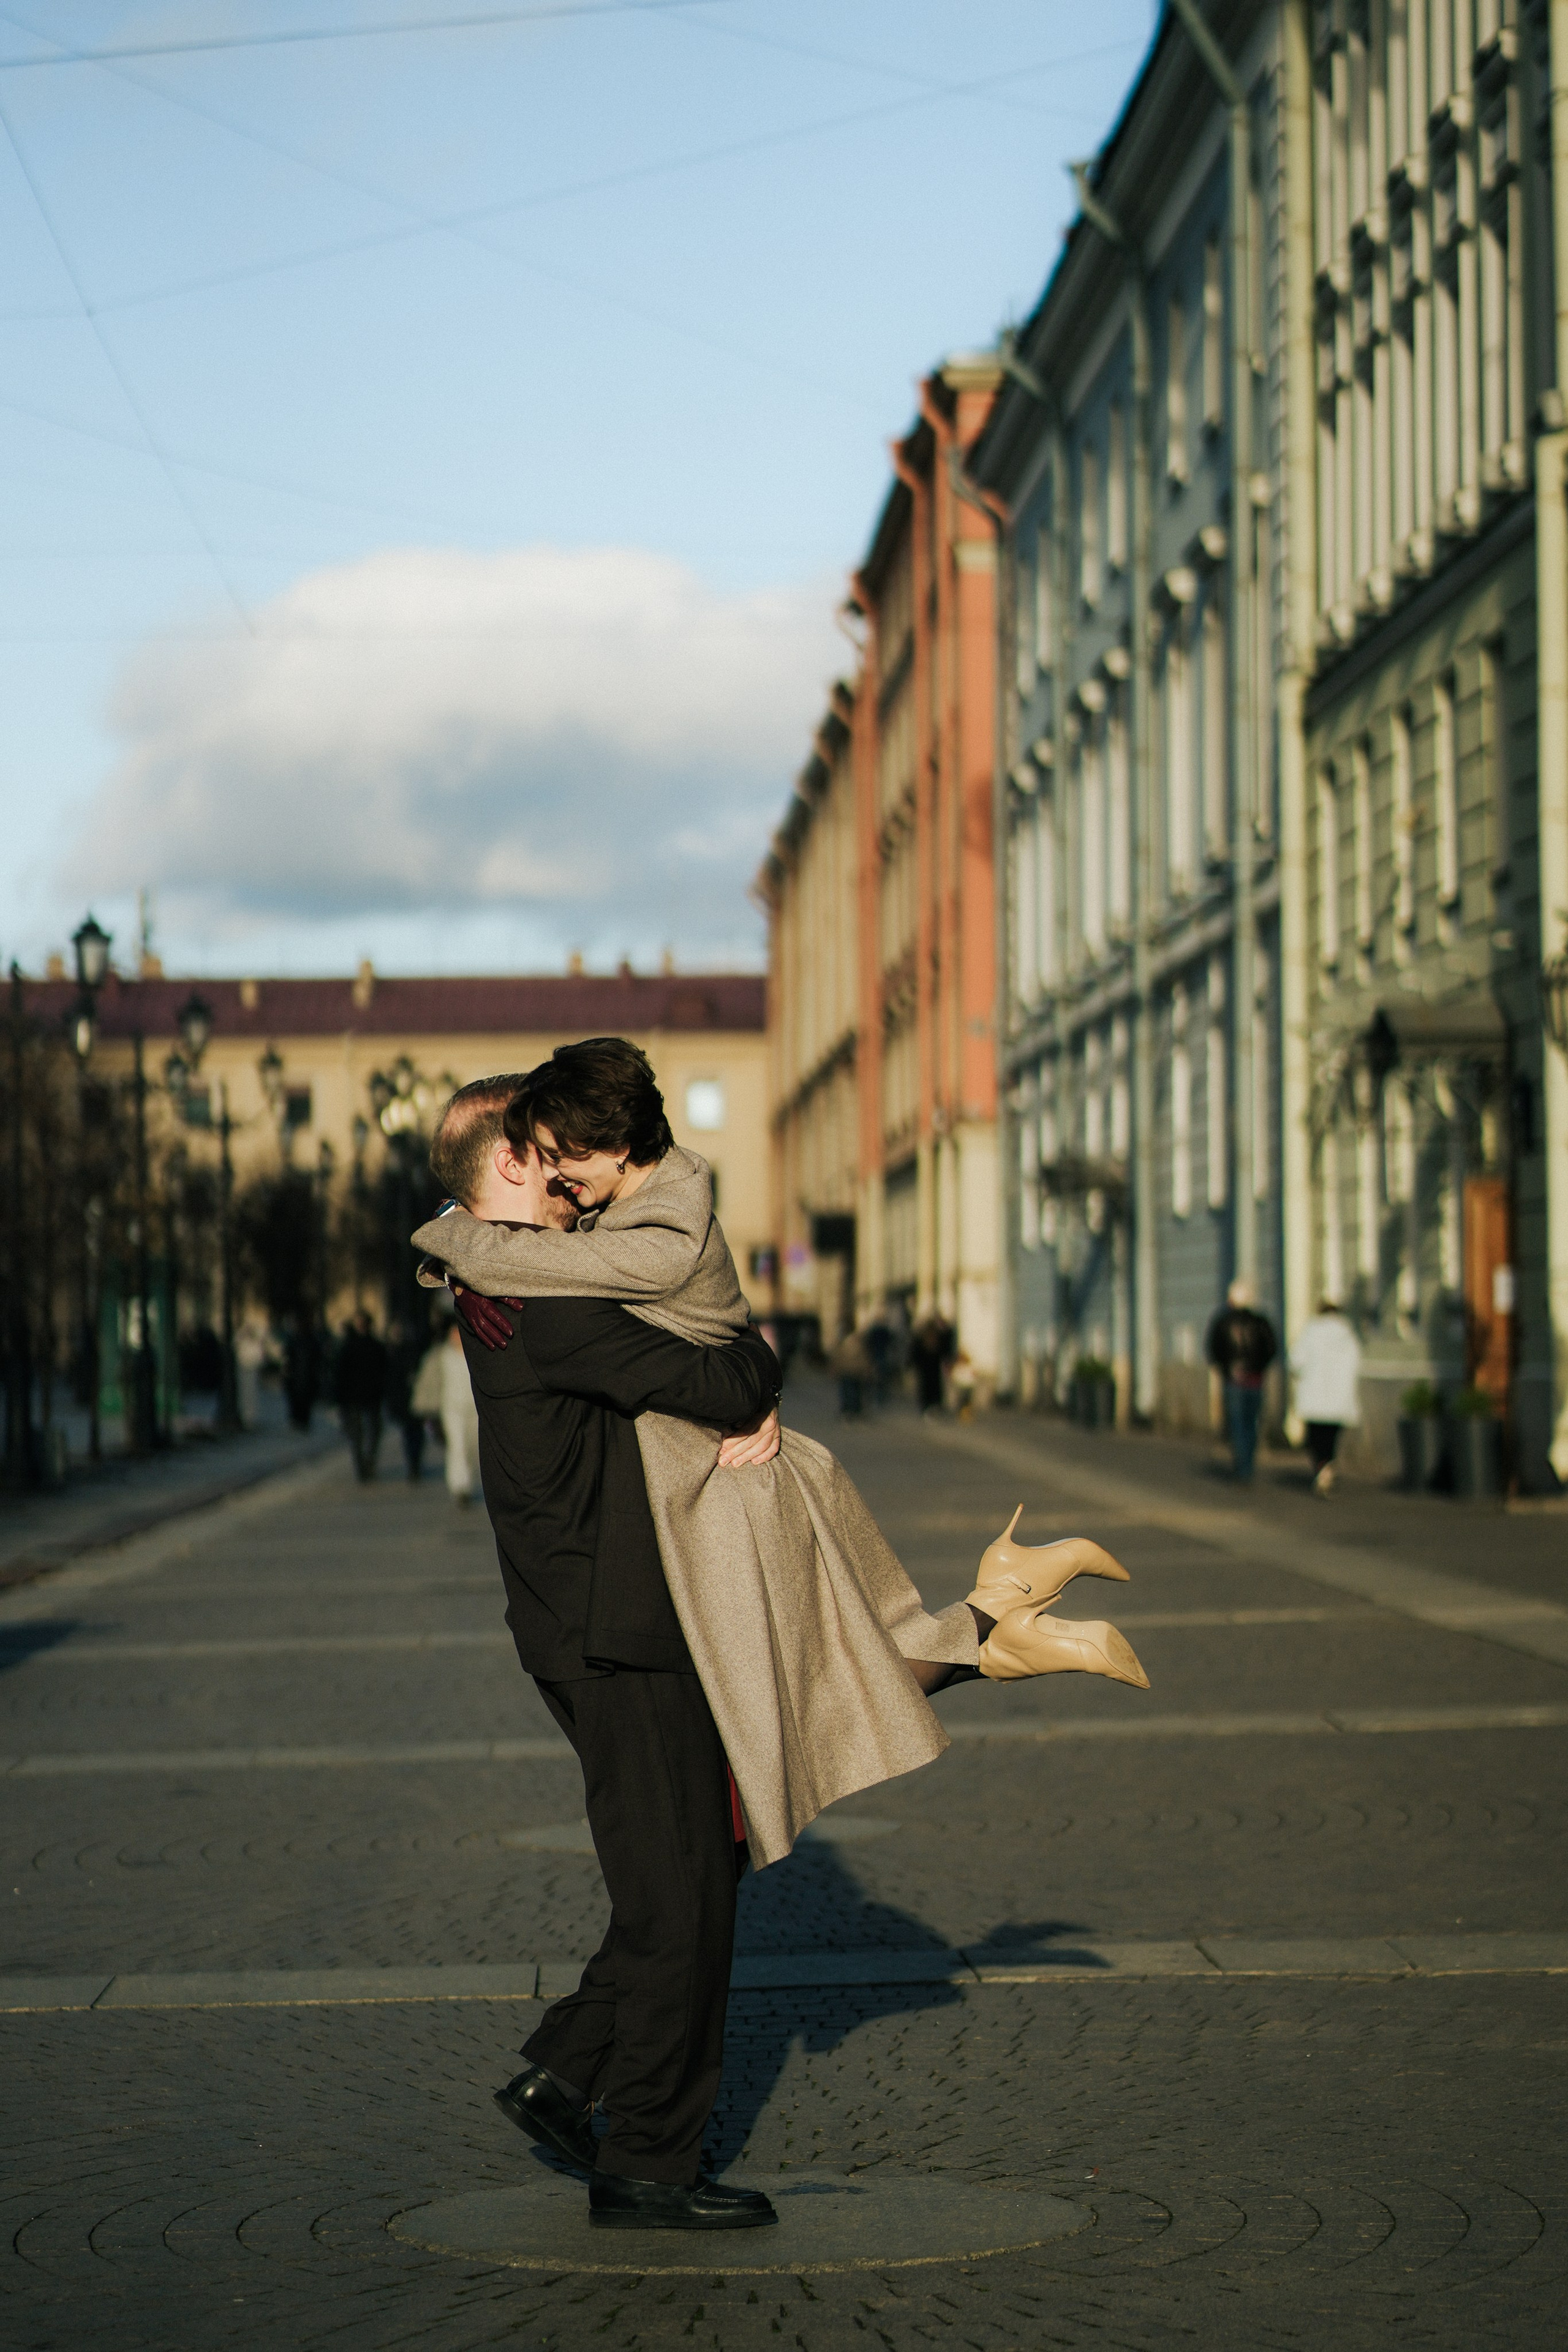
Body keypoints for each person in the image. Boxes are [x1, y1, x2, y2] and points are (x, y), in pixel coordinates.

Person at [421, 1074, 785, 2233]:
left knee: (691, 1871)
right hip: (620, 1629)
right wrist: (760, 1376)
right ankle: (651, 2165)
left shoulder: (496, 1283)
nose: (570, 1169)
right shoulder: (553, 1304)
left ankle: (572, 2071)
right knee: (684, 1901)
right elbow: (719, 1371)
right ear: (513, 1169)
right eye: (546, 1150)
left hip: (582, 1627)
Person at [1204, 1278, 1278, 1483]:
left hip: (1234, 1381)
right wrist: (1258, 1368)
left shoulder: (1223, 1321)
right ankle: (1247, 1464)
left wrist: (1228, 1369)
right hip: (1255, 1380)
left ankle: (1243, 1466)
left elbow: (1213, 1350)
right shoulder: (1260, 1322)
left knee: (1238, 1423)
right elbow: (1271, 1348)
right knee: (1251, 1423)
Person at [1289, 1299, 1362, 1496]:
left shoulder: (1311, 1331)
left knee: (1316, 1438)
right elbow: (1356, 1363)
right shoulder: (1348, 1335)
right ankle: (1328, 1465)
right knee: (1331, 1437)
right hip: (1338, 1399)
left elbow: (1296, 1361)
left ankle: (1321, 1467)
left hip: (1315, 1397)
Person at [334, 1310, 388, 1482]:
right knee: (364, 1434)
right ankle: (364, 1465)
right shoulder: (369, 1346)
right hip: (361, 1398)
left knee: (365, 1434)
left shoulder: (354, 1346)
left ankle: (365, 1464)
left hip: (365, 1398)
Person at [436, 1321, 481, 1507]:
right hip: (452, 1409)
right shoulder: (443, 1356)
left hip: (474, 1407)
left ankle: (468, 1482)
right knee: (458, 1446)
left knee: (472, 1447)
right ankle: (460, 1486)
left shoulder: (475, 1353)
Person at [383, 1319, 427, 1482]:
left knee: (412, 1433)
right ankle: (414, 1463)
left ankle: (413, 1462)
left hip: (411, 1399)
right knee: (414, 1433)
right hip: (408, 1400)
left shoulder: (401, 1352)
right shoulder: (413, 1351)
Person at [909, 1311, 954, 1414]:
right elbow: (916, 1351)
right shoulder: (925, 1337)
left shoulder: (932, 1336)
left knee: (932, 1386)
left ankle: (932, 1405)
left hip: (930, 1367)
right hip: (928, 1367)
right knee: (930, 1387)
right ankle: (930, 1406)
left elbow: (915, 1351)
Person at [828, 1322, 871, 1417]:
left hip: (847, 1370)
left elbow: (837, 1357)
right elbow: (863, 1357)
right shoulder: (858, 1342)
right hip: (855, 1370)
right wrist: (865, 1368)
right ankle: (854, 1409)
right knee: (854, 1391)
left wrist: (835, 1368)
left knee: (847, 1391)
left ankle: (848, 1409)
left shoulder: (842, 1342)